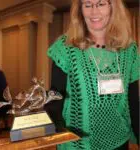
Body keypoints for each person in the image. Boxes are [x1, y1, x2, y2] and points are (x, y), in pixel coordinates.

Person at [46, 0, 139, 149]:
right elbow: (55, 98)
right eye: (88, 5)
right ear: (80, 10)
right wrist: (56, 133)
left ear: (112, 6)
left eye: (101, 4)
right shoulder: (65, 48)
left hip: (119, 141)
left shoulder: (129, 50)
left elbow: (133, 100)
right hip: (78, 143)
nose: (94, 11)